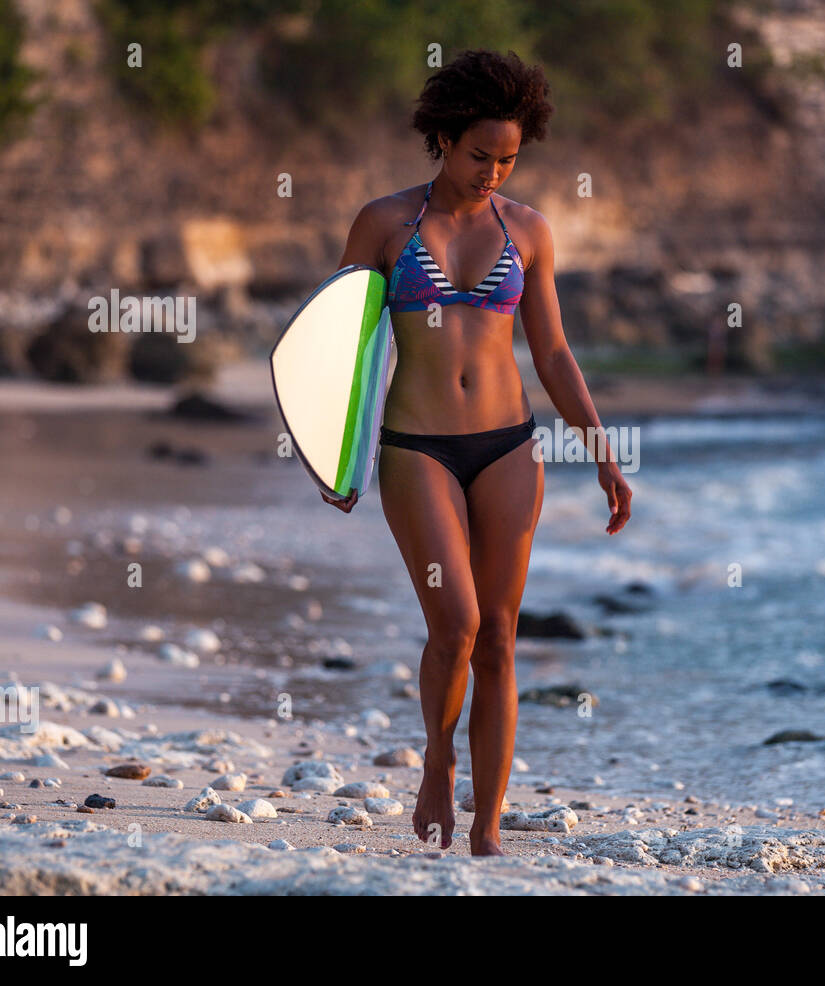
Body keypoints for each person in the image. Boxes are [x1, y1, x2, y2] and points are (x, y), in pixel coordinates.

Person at [328, 49, 632, 856]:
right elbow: (343, 350)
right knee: (455, 622)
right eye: (478, 155)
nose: (492, 171)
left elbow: (556, 355)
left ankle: (489, 829)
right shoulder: (383, 223)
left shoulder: (529, 232)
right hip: (416, 447)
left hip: (508, 447)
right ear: (443, 136)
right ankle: (437, 765)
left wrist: (600, 449)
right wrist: (335, 455)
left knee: (498, 636)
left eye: (508, 159)